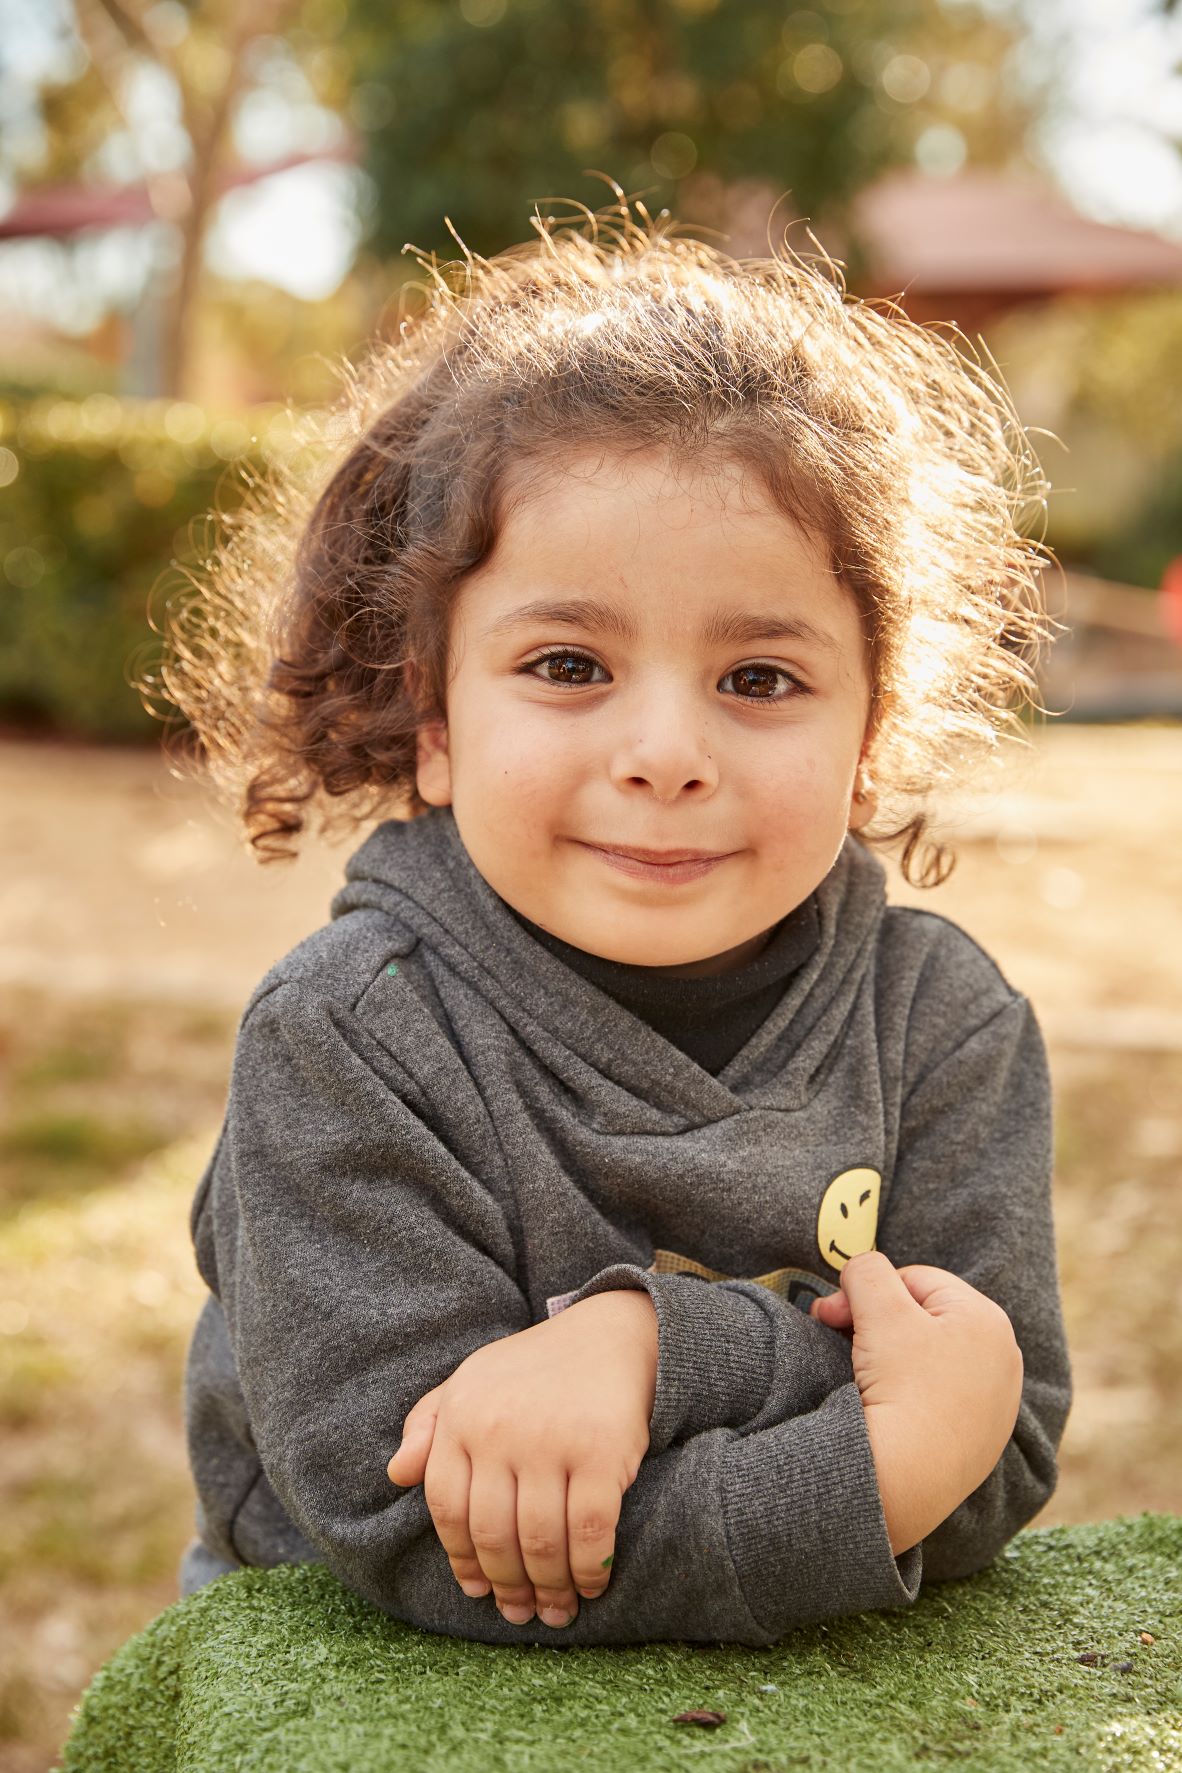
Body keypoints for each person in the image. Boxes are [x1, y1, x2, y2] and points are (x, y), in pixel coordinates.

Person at [167, 197, 1072, 1647]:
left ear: (870, 732)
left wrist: (647, 1348)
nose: (664, 750)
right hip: (352, 1673)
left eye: (759, 679)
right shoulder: (348, 1033)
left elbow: (994, 1439)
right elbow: (411, 1530)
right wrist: (873, 1464)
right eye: (570, 661)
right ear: (434, 713)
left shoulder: (940, 1023)